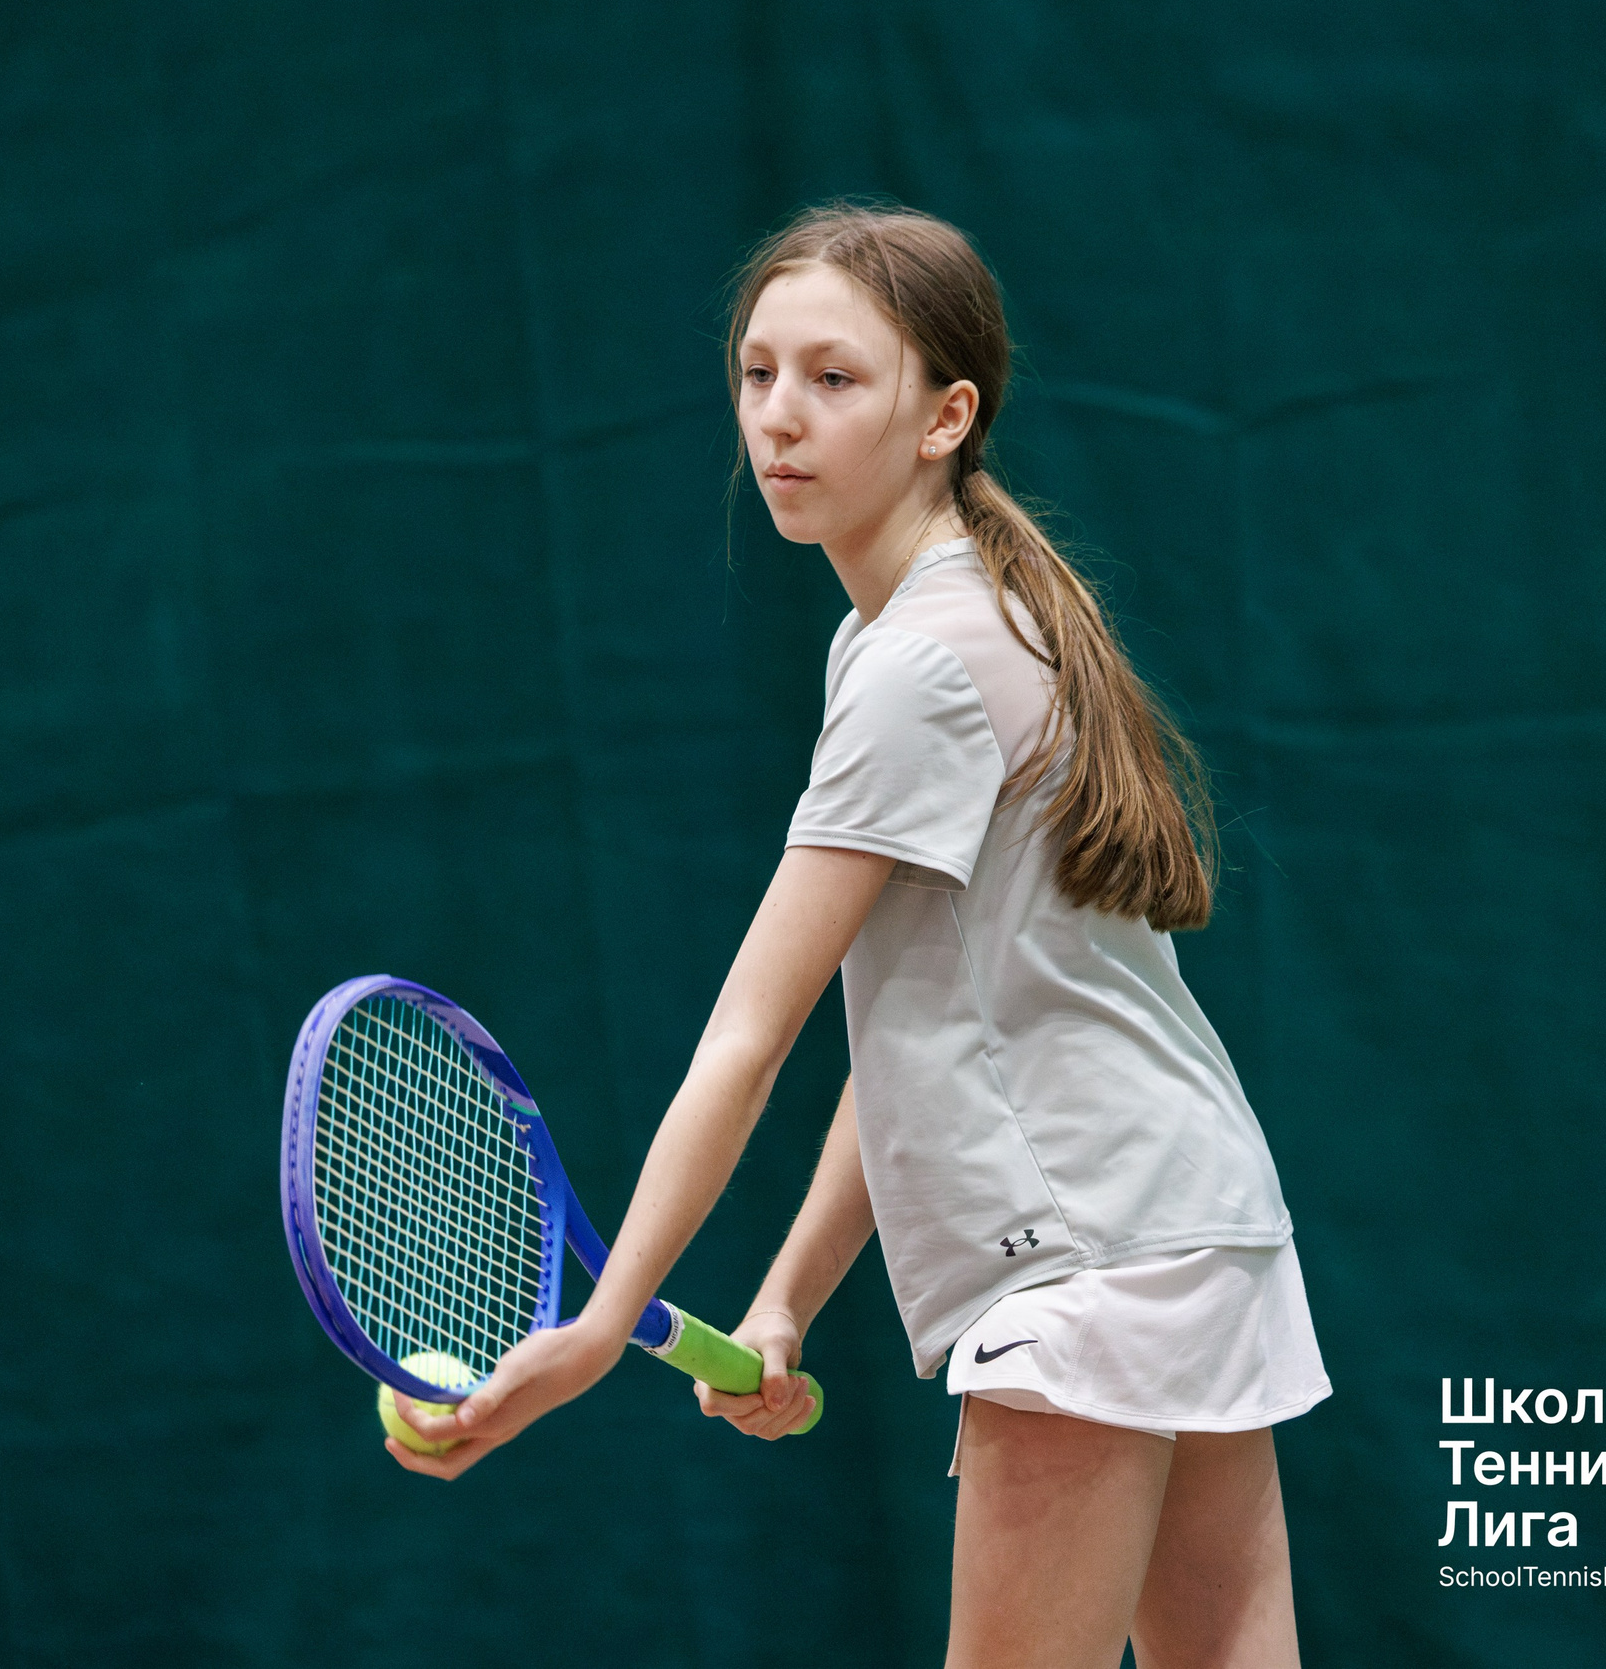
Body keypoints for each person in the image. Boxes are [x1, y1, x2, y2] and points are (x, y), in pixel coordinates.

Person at [386, 202, 1329, 1669]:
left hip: (1084, 1256)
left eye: (835, 379)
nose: (780, 417)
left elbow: (748, 1035)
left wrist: (599, 1328)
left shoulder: (916, 667)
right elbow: (926, 1025)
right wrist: (780, 1299)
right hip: (1196, 1223)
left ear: (948, 414)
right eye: (758, 373)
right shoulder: (950, 617)